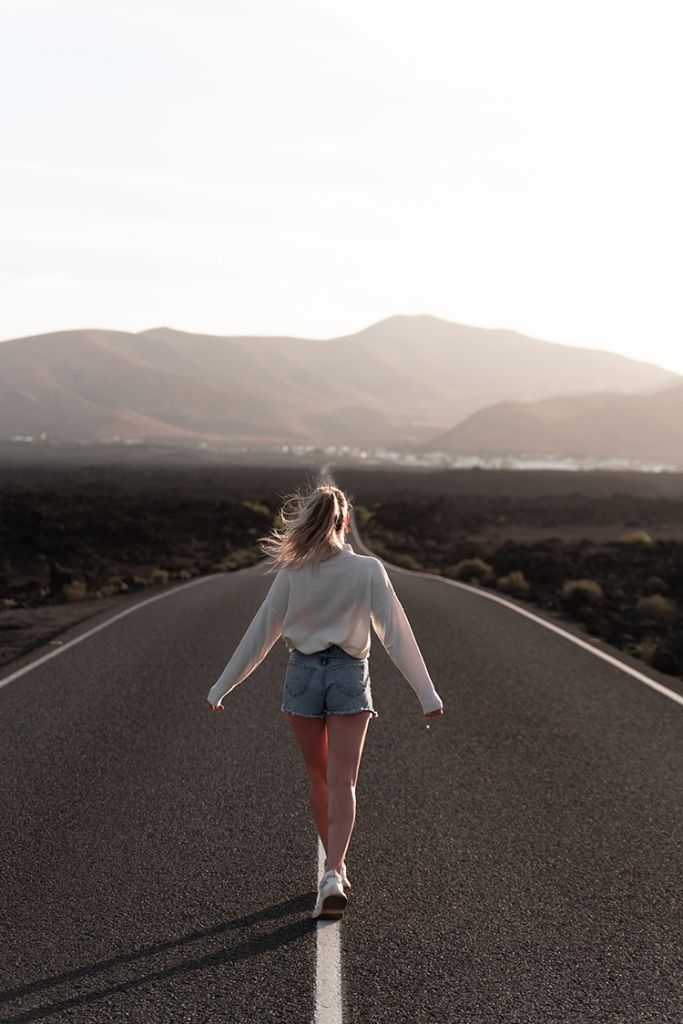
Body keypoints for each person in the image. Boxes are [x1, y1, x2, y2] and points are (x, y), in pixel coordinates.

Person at [206, 479, 444, 920]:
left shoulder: (292, 573)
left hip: (302, 674)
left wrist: (223, 686)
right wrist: (426, 692)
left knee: (318, 779)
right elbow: (396, 636)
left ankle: (333, 870)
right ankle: (333, 871)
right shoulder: (368, 570)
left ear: (308, 521)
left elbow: (260, 635)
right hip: (349, 675)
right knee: (344, 782)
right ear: (347, 522)